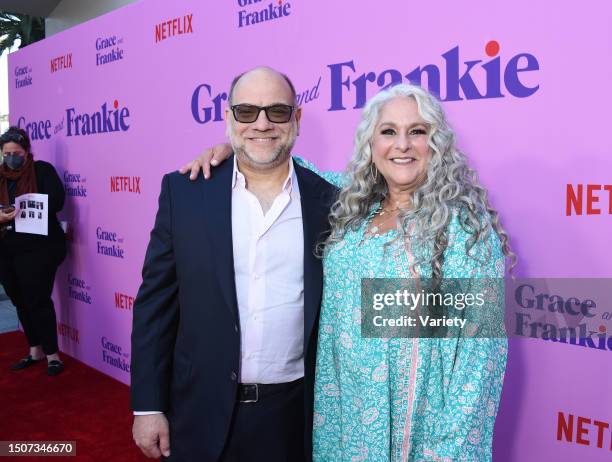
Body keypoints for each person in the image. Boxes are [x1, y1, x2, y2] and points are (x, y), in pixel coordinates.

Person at [184, 83, 514, 461]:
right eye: (388, 132)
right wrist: (234, 150)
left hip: (418, 431)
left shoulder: (463, 228)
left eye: (417, 132)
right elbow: (286, 167)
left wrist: (450, 451)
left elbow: (479, 359)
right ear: (371, 146)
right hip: (342, 422)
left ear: (436, 144)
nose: (402, 144)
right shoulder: (354, 208)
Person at [130, 67, 337, 462]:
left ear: (297, 119)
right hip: (197, 410)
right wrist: (147, 405)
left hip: (293, 415)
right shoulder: (185, 192)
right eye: (246, 112)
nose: (261, 123)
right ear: (227, 119)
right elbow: (155, 305)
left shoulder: (332, 202)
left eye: (277, 111)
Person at [0, 126, 66, 376]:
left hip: (40, 247)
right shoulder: (0, 176)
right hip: (7, 248)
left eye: (16, 152)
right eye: (6, 153)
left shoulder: (42, 171)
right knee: (18, 299)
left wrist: (29, 205)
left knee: (37, 299)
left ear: (26, 152)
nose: (11, 157)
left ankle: (53, 355)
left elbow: (58, 201)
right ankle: (34, 350)